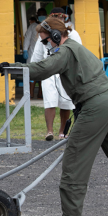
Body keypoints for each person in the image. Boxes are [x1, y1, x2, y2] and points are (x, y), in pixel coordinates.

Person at [0, 17, 108, 216]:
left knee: (75, 158)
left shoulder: (65, 51)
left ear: (56, 36)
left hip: (96, 105)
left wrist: (13, 68)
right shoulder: (78, 48)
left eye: (46, 41)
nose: (45, 46)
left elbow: (43, 69)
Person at [30, 8, 81, 141]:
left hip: (65, 72)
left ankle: (62, 131)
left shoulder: (73, 34)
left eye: (61, 18)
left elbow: (78, 54)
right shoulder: (44, 34)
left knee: (66, 102)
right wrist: (33, 71)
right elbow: (36, 56)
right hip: (49, 72)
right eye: (55, 18)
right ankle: (49, 131)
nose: (59, 20)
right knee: (49, 100)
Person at [23, 16, 40, 97]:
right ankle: (31, 93)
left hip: (43, 55)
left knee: (43, 74)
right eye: (40, 15)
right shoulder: (33, 26)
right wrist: (25, 49)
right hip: (32, 53)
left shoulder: (47, 25)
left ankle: (40, 93)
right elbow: (27, 38)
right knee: (31, 73)